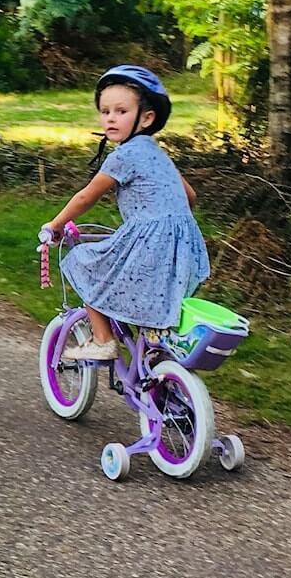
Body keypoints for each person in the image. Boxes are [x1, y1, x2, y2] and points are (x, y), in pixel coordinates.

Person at [41, 65, 209, 361]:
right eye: (105, 111)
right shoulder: (158, 153)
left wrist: (55, 225)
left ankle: (103, 339)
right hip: (187, 245)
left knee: (83, 265)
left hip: (151, 240)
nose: (110, 118)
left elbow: (86, 196)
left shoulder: (125, 155)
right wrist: (169, 220)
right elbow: (190, 196)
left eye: (121, 111)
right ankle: (155, 364)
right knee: (152, 303)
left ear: (146, 118)